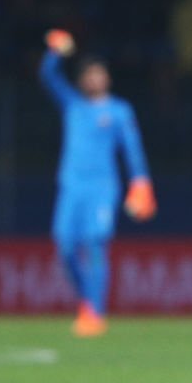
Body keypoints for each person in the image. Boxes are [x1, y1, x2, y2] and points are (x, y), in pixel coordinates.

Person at [40, 29, 157, 337]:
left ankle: (95, 312)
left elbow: (132, 149)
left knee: (94, 246)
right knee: (64, 246)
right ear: (82, 81)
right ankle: (86, 303)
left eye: (100, 74)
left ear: (107, 78)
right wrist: (55, 52)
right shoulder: (73, 106)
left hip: (102, 189)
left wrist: (141, 182)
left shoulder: (119, 111)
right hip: (70, 188)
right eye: (90, 75)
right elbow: (48, 76)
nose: (95, 79)